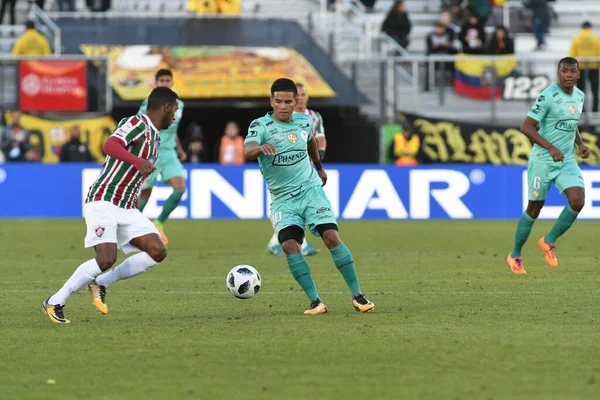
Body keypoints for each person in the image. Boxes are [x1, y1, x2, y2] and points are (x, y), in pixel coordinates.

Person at [43, 86, 179, 324]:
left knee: (158, 250)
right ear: (166, 107)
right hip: (104, 200)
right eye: (174, 110)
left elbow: (136, 174)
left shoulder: (156, 137)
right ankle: (55, 301)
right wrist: (137, 161)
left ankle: (101, 282)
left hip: (127, 207)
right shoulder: (137, 122)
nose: (175, 117)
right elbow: (110, 145)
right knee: (106, 258)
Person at [245, 78, 374, 315]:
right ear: (271, 101)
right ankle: (315, 301)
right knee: (288, 244)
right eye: (278, 101)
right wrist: (258, 149)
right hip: (282, 199)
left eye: (288, 102)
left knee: (331, 237)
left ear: (297, 102)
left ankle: (358, 295)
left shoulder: (304, 122)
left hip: (310, 190)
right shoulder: (260, 125)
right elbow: (247, 148)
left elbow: (311, 141)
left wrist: (319, 167)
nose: (283, 106)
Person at [507, 57, 589, 274]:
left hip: (566, 160)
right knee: (534, 209)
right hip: (543, 159)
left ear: (578, 75)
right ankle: (515, 254)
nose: (569, 75)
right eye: (565, 71)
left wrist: (580, 143)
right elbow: (526, 127)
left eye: (573, 71)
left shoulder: (580, 96)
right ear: (558, 74)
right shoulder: (548, 96)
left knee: (578, 200)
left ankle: (549, 241)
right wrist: (551, 147)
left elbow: (571, 124)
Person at [266, 83, 322, 257]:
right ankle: (292, 243)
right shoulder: (283, 118)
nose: (302, 98)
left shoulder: (313, 117)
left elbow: (319, 138)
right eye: (301, 94)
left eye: (305, 94)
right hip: (285, 173)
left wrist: (318, 159)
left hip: (306, 169)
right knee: (292, 208)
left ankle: (285, 241)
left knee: (299, 208)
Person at [137, 69, 186, 245]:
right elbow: (140, 126)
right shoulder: (147, 104)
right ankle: (131, 228)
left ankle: (158, 223)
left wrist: (179, 149)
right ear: (156, 83)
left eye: (168, 80)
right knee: (145, 192)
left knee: (180, 188)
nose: (165, 83)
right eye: (162, 81)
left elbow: (172, 128)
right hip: (151, 152)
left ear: (171, 83)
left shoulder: (179, 105)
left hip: (169, 152)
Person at [570, 21, 600, 112]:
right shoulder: (595, 38)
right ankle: (595, 110)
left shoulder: (577, 38)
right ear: (590, 27)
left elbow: (572, 53)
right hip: (594, 67)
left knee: (580, 90)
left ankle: (581, 110)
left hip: (581, 67)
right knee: (595, 90)